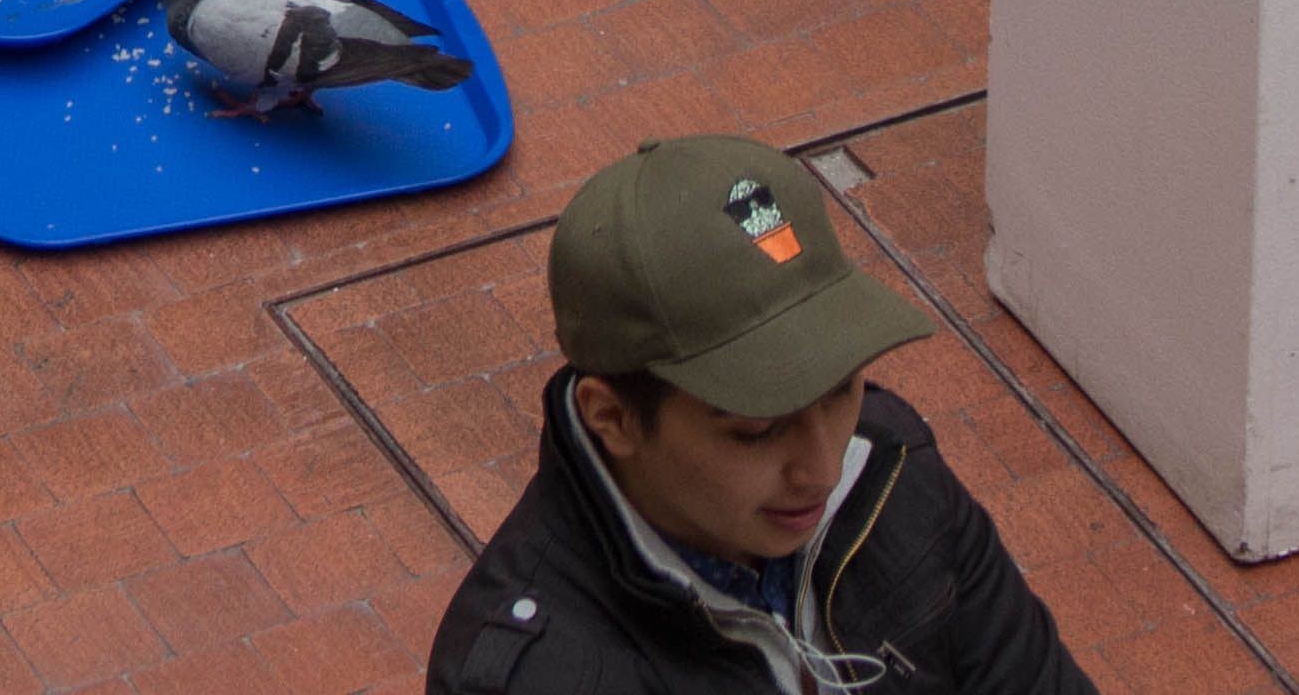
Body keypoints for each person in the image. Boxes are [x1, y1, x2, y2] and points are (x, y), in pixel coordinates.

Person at [427, 135, 1096, 695]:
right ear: (614, 417)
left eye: (840, 389)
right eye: (758, 429)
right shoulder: (530, 678)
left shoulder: (889, 468)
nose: (824, 467)